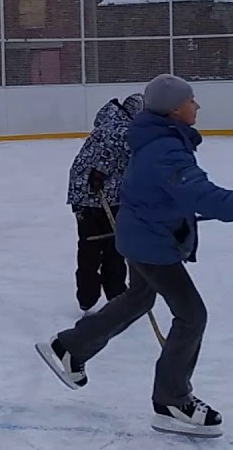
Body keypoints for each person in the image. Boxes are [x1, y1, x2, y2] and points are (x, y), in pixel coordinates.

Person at [35, 74, 233, 438]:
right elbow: (202, 195)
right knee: (192, 315)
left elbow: (167, 197)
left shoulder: (156, 141)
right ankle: (172, 400)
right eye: (192, 100)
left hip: (142, 234)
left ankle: (68, 347)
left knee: (138, 298)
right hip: (151, 244)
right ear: (175, 108)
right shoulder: (166, 149)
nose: (197, 106)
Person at [66, 93, 144, 314]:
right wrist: (100, 172)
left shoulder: (117, 123)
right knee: (92, 245)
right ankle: (89, 295)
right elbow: (115, 153)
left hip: (109, 194)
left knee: (114, 245)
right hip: (90, 195)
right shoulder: (120, 129)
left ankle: (115, 293)